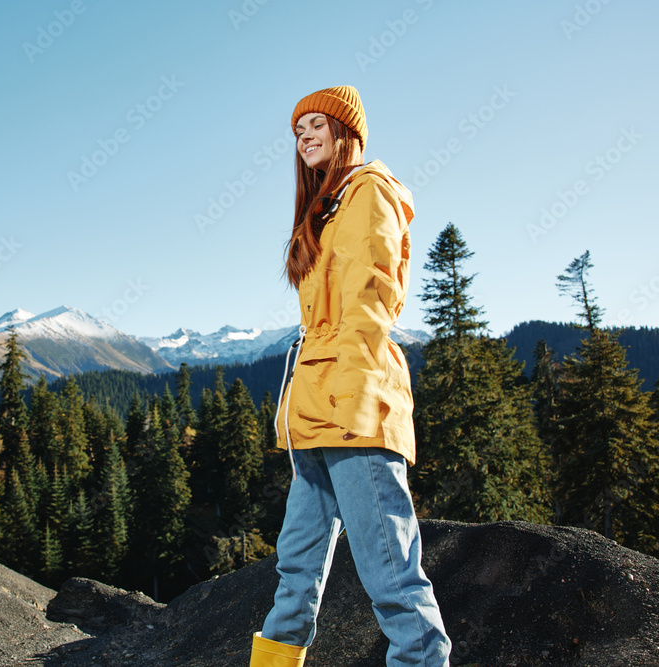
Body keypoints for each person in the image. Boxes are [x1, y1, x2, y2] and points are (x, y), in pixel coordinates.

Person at [248, 86, 451, 666]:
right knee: (296, 570)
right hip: (316, 407)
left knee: (392, 576)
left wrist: (347, 391)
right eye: (297, 130)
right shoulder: (327, 205)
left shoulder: (368, 194)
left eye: (316, 125)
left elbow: (370, 304)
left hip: (354, 406)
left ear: (346, 133)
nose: (304, 136)